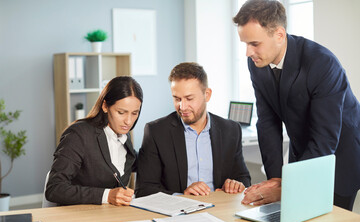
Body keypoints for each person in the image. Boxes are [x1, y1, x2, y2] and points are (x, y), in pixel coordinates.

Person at [233, 0, 360, 210]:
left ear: (280, 35)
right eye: (245, 44)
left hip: (339, 155)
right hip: (302, 150)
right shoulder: (256, 63)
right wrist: (275, 180)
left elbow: (325, 138)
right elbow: (267, 123)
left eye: (254, 44)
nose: (248, 52)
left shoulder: (322, 63)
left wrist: (289, 186)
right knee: (293, 219)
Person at [135, 62, 251, 198]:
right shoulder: (156, 132)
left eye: (189, 98)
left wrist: (236, 184)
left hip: (220, 209)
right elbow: (144, 190)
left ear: (207, 95)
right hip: (177, 212)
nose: (182, 107)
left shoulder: (231, 130)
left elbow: (243, 178)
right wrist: (181, 196)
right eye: (177, 99)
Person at [46, 76, 143, 206]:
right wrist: (107, 196)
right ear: (105, 106)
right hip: (80, 216)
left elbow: (135, 162)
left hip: (112, 217)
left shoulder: (124, 137)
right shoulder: (79, 134)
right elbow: (55, 189)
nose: (129, 121)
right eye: (121, 112)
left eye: (134, 113)